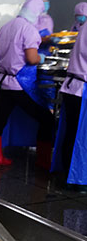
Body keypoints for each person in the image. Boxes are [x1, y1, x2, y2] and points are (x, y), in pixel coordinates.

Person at [0, 0, 54, 168]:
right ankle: (43, 160)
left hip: (3, 83)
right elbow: (31, 59)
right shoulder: (29, 30)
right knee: (46, 119)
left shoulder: (5, 27)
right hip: (20, 84)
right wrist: (41, 57)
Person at [51, 22, 87, 189]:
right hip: (82, 89)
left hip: (74, 87)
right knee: (78, 136)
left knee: (72, 132)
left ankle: (68, 174)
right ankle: (77, 179)